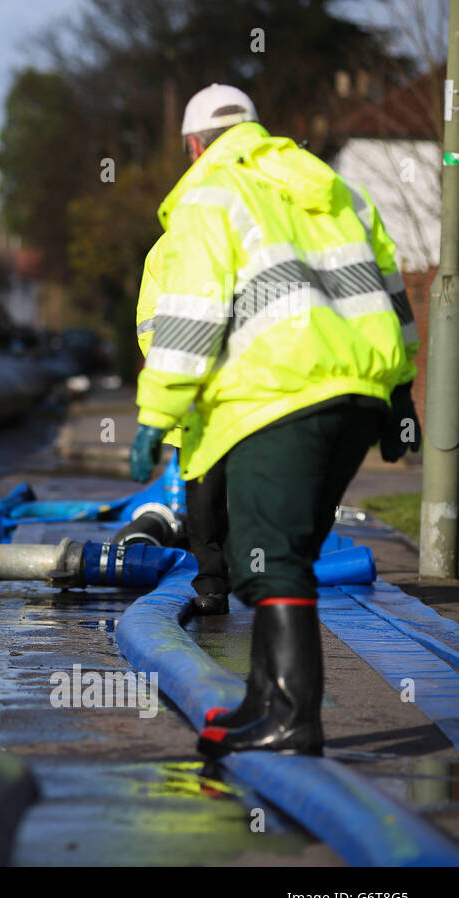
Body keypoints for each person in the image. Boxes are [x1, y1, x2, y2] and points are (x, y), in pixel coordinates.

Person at [129, 84, 420, 757]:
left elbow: (192, 318)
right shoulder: (333, 187)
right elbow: (393, 290)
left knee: (268, 554)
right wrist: (400, 394)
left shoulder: (210, 194)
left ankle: (293, 719)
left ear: (195, 144)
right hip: (357, 393)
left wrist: (156, 416)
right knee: (281, 555)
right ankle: (262, 701)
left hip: (278, 394)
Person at [134, 236, 231, 617]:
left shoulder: (250, 234)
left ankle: (226, 578)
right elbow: (152, 326)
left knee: (236, 493)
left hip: (242, 392)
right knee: (205, 497)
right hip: (198, 397)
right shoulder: (170, 247)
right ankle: (213, 583)